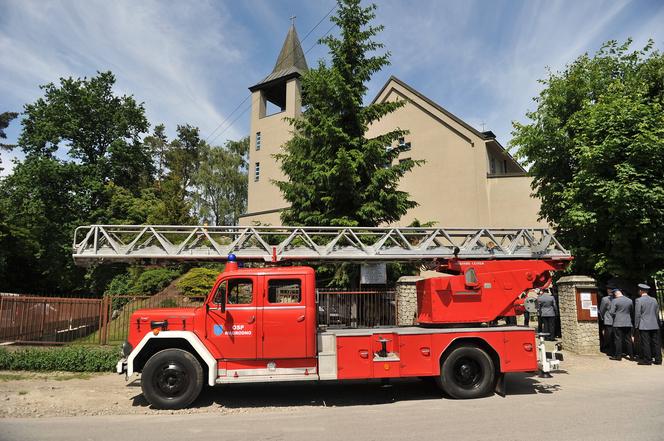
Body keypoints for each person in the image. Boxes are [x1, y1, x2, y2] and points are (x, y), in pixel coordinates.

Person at [634, 283, 662, 365]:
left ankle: (648, 360)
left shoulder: (639, 300)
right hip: (654, 324)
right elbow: (656, 312)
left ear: (640, 291)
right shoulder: (654, 300)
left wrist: (636, 325)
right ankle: (658, 360)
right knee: (656, 343)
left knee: (645, 343)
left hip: (644, 325)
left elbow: (637, 314)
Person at [610, 288, 634, 361]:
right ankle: (631, 356)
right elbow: (631, 311)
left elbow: (611, 312)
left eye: (614, 294)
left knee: (618, 340)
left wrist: (616, 315)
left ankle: (618, 356)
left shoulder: (615, 300)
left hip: (618, 323)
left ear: (616, 293)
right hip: (627, 322)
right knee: (628, 340)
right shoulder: (629, 300)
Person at [598, 287, 615, 356]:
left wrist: (601, 318)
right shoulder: (617, 298)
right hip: (617, 320)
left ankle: (609, 350)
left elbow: (602, 310)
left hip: (608, 320)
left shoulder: (605, 299)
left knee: (608, 336)